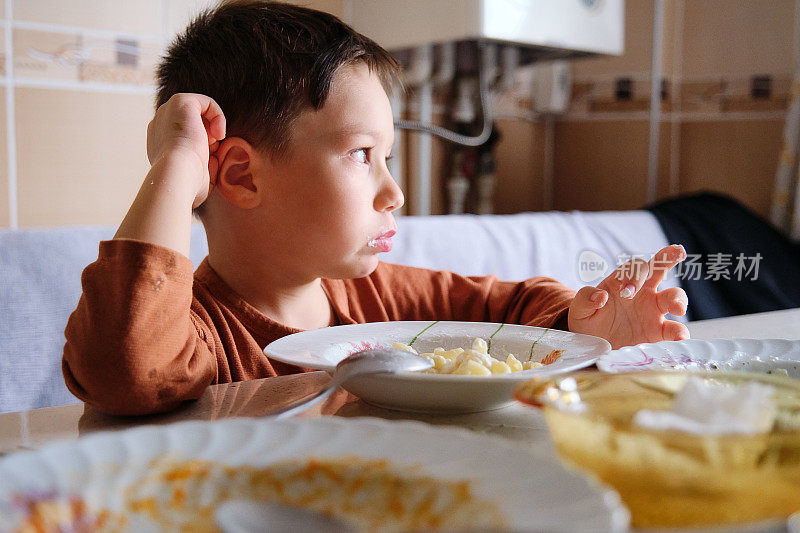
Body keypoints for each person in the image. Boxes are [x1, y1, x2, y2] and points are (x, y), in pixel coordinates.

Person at [62, 0, 689, 416]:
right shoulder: (199, 335)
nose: (395, 193)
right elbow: (126, 366)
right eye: (363, 155)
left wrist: (580, 330)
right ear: (239, 176)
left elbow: (516, 310)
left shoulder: (389, 306)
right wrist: (176, 165)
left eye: (388, 157)